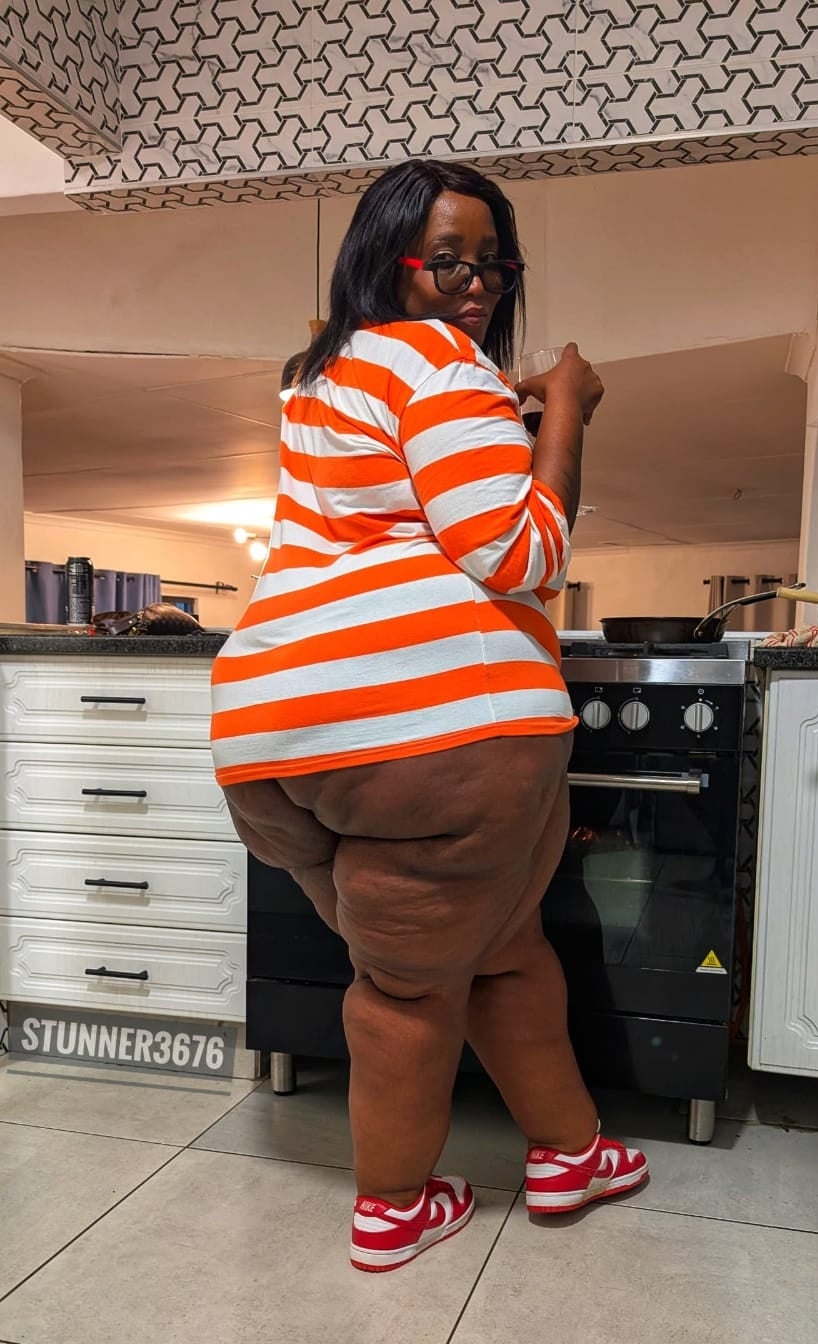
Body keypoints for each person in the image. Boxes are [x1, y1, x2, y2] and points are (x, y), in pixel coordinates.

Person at [210, 158, 648, 1273]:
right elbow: (521, 553)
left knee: (496, 947)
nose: (477, 284)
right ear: (387, 259)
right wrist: (567, 411)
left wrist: (509, 415)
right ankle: (394, 1208)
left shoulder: (317, 380)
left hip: (271, 743)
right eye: (447, 260)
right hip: (437, 730)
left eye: (495, 262)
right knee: (408, 982)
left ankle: (571, 1151)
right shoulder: (443, 361)